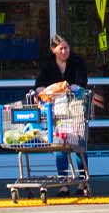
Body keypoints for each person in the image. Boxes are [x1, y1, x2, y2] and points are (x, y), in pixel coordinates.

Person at [35, 35, 89, 176]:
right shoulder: (48, 65)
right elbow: (39, 85)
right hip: (57, 110)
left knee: (78, 144)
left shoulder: (76, 62)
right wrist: (44, 91)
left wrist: (71, 88)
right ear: (53, 50)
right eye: (61, 49)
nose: (64, 51)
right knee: (60, 146)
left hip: (75, 108)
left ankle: (83, 182)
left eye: (66, 48)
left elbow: (82, 82)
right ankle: (63, 183)